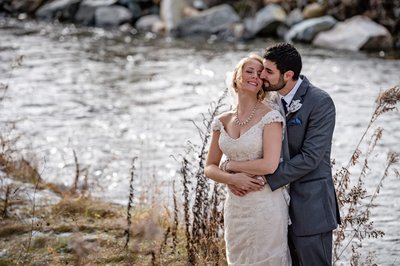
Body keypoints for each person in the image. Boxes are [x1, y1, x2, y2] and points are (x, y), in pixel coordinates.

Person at [227, 43, 341, 265]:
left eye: (268, 71)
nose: (262, 76)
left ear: (288, 75)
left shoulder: (320, 102)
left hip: (310, 208)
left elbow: (311, 157)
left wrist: (264, 179)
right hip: (272, 211)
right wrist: (235, 176)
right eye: (262, 69)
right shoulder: (268, 100)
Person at [204, 53, 291, 265]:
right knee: (238, 259)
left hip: (265, 203)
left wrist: (231, 165)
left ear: (263, 84)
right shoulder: (222, 121)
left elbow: (269, 165)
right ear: (236, 77)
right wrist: (232, 179)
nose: (255, 76)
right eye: (249, 71)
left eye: (260, 74)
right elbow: (209, 167)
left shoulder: (270, 117)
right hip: (236, 207)